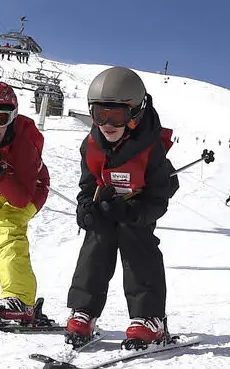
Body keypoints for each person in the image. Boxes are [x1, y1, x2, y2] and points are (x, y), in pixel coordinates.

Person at [65, 67, 179, 348]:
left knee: (135, 237)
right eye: (99, 114)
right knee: (97, 237)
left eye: (116, 115)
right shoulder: (91, 145)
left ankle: (148, 317)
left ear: (135, 113)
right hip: (105, 204)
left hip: (137, 209)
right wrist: (86, 209)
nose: (107, 123)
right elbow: (88, 185)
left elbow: (158, 198)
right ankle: (84, 311)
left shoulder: (150, 149)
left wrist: (132, 212)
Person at [0, 82, 50, 323]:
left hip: (29, 189)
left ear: (12, 118)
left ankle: (21, 300)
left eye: (0, 118)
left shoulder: (24, 142)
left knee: (8, 228)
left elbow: (21, 200)